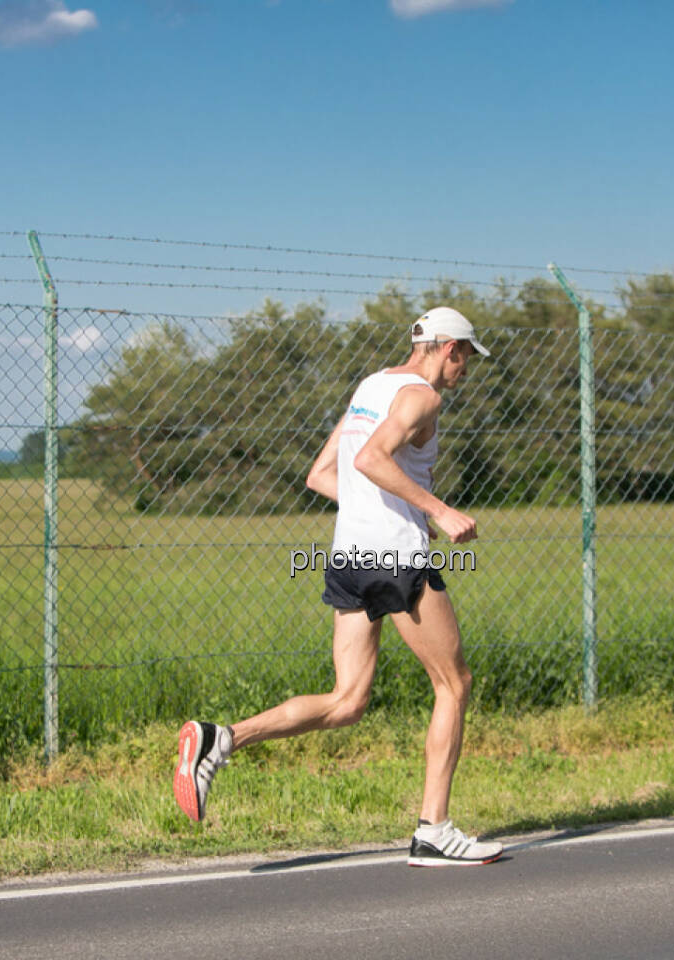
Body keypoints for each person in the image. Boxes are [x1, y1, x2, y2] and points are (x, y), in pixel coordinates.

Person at [173, 306, 503, 867]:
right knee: (454, 685)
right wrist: (437, 511)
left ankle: (221, 739)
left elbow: (324, 473)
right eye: (466, 356)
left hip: (350, 554)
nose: (466, 369)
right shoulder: (424, 397)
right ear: (448, 348)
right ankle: (434, 830)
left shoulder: (371, 384)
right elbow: (373, 459)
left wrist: (393, 509)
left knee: (347, 700)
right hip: (398, 560)